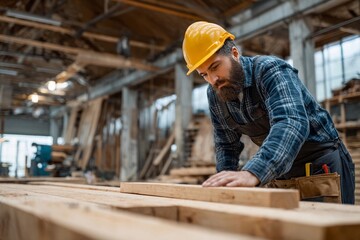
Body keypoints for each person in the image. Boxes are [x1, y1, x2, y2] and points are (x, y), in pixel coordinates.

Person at [182, 21, 355, 204]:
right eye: (204, 75)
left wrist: (254, 172)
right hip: (280, 172)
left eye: (215, 67)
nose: (213, 79)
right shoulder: (216, 94)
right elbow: (226, 145)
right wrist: (223, 188)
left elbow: (291, 122)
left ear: (234, 54)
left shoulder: (270, 71)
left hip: (320, 166)